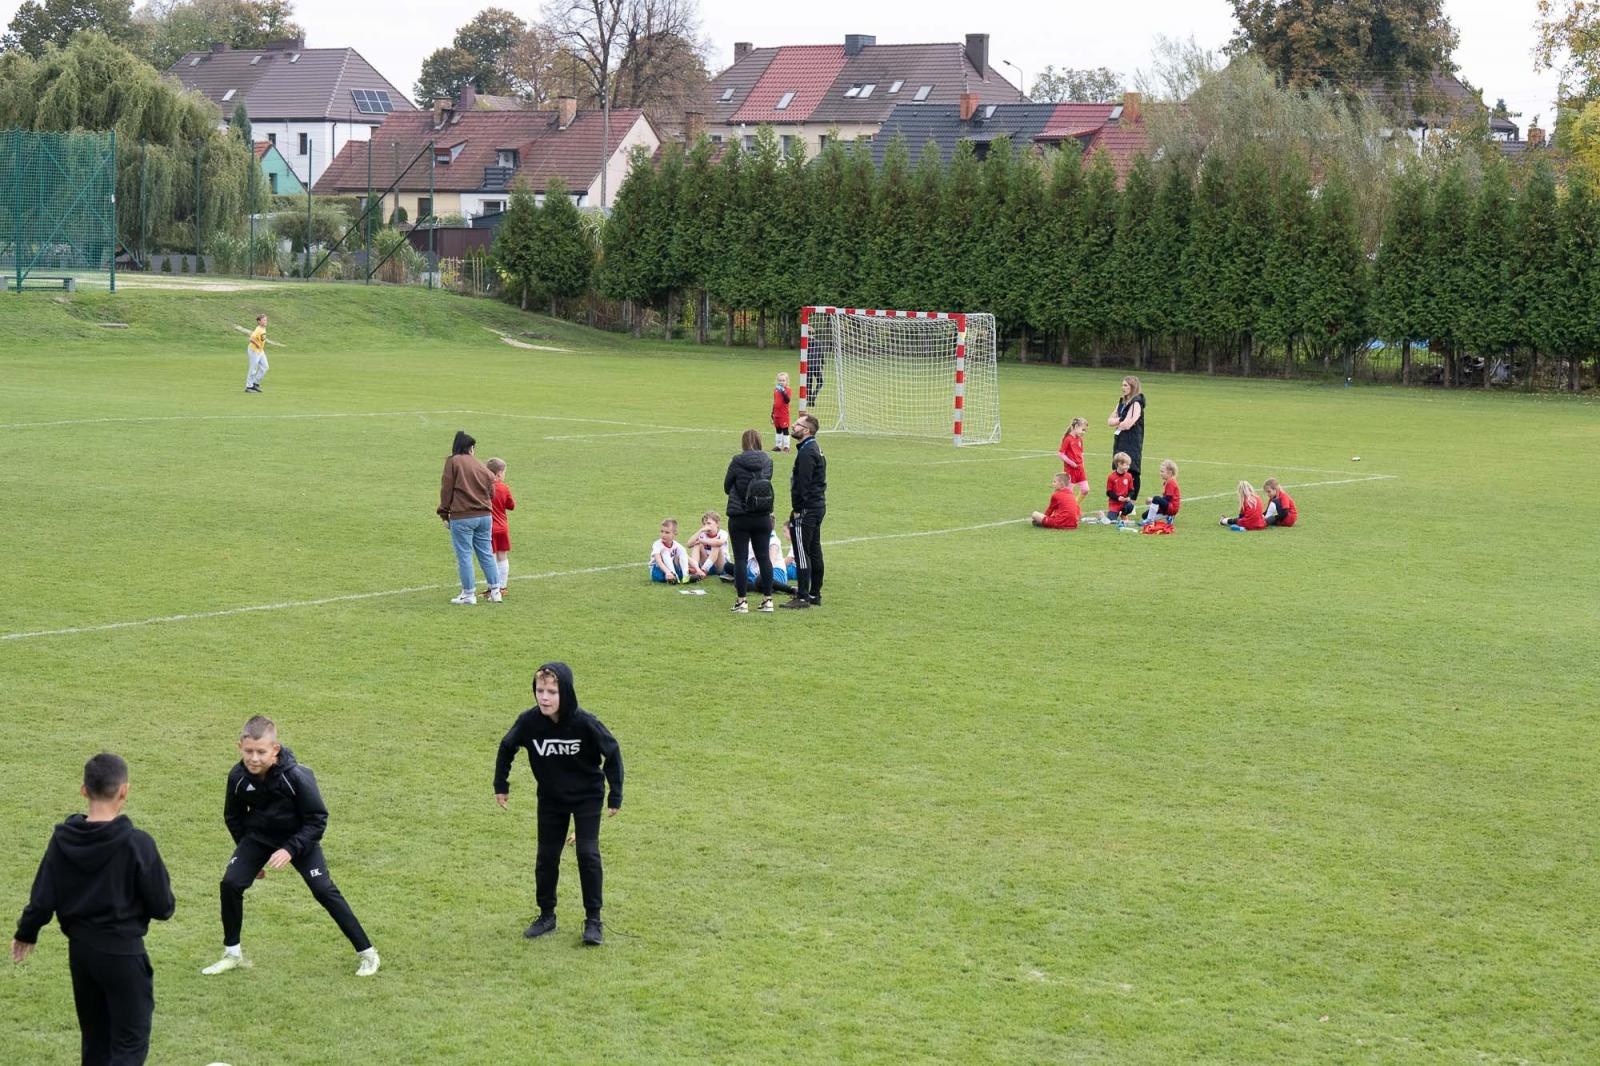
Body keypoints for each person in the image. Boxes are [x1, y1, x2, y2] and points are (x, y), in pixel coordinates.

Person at [12, 754, 174, 1066]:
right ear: (124, 791)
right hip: (123, 955)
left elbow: (42, 898)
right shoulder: (137, 844)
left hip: (82, 954)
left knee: (96, 1044)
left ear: (83, 790)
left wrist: (25, 933)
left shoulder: (62, 840)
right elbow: (163, 907)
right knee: (130, 1045)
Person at [200, 716, 380, 978]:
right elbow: (233, 817)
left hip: (299, 839)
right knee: (230, 884)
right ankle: (232, 954)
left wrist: (290, 849)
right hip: (258, 839)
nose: (254, 758)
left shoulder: (296, 776)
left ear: (275, 750)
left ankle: (368, 953)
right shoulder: (237, 777)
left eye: (261, 752)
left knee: (323, 890)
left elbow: (317, 819)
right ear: (239, 746)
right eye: (248, 751)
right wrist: (248, 855)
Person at [494, 662, 623, 947]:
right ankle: (546, 915)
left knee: (588, 854)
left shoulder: (584, 722)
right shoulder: (529, 722)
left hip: (587, 795)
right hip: (551, 799)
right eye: (540, 690)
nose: (545, 697)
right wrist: (501, 785)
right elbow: (507, 747)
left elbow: (612, 750)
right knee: (547, 857)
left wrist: (616, 794)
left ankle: (593, 921)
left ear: (565, 692)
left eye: (552, 691)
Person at [438, 430, 503, 605]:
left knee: (464, 555)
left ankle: (468, 594)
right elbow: (491, 490)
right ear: (471, 448)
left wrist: (444, 513)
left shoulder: (453, 462)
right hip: (484, 516)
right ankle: (496, 591)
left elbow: (447, 489)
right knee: (486, 553)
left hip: (463, 516)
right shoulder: (482, 466)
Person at [723, 430, 776, 614]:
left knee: (740, 558)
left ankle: (742, 601)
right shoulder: (768, 461)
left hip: (740, 515)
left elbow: (727, 486)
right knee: (764, 558)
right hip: (762, 514)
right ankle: (768, 600)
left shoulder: (737, 461)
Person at [782, 414, 827, 609]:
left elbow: (803, 484)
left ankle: (802, 596)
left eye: (798, 425)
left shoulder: (807, 452)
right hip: (817, 506)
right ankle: (814, 593)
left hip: (807, 510)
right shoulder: (814, 448)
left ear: (806, 430)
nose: (793, 425)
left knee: (802, 552)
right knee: (814, 550)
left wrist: (798, 509)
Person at [1107, 375, 1146, 498]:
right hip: (1120, 440)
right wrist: (1121, 420)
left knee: (1132, 471)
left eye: (1126, 385)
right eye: (1122, 385)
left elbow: (1128, 424)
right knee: (1119, 469)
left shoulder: (1136, 403)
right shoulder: (1122, 402)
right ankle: (1120, 499)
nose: (1123, 388)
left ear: (1133, 387)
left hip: (1132, 441)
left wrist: (1120, 421)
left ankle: (1132, 502)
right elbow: (1109, 421)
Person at [486, 457, 516, 596]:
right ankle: (502, 587)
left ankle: (493, 588)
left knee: (490, 558)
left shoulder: (483, 488)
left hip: (488, 528)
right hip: (502, 528)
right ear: (499, 473)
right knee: (502, 556)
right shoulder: (504, 488)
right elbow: (511, 506)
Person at [1090, 452, 1135, 525]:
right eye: (1126, 465)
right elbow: (1109, 492)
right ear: (1119, 464)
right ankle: (1102, 515)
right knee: (1111, 521)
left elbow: (1132, 490)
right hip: (1114, 504)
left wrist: (1129, 497)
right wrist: (1118, 498)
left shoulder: (1129, 476)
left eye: (1129, 465)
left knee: (1130, 506)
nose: (1128, 467)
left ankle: (1123, 515)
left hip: (1124, 503)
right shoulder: (1111, 477)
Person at [648, 519, 698, 584]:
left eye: (667, 532)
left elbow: (686, 557)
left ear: (675, 534)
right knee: (665, 552)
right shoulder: (657, 544)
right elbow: (659, 561)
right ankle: (674, 576)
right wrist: (668, 572)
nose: (663, 535)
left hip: (670, 568)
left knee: (682, 551)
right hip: (657, 570)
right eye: (662, 531)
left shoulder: (677, 545)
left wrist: (698, 569)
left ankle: (686, 576)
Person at [686, 511, 733, 580]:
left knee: (716, 546)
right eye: (704, 524)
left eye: (709, 523)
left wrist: (702, 541)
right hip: (706, 562)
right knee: (697, 545)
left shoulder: (722, 533)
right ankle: (695, 568)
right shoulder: (703, 534)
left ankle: (704, 570)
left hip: (720, 566)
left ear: (717, 524)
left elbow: (719, 542)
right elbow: (689, 544)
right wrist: (700, 531)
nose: (706, 526)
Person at [1057, 417, 1090, 501]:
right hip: (1070, 470)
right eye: (1083, 430)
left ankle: (1075, 506)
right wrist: (1072, 463)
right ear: (1076, 427)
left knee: (1085, 489)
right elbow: (1061, 454)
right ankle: (1067, 508)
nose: (1084, 432)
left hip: (1080, 469)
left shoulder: (1080, 439)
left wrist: (1082, 465)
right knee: (1068, 492)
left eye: (1085, 430)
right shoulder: (1068, 439)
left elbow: (1081, 453)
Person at [1141, 460, 1182, 526]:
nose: (1160, 473)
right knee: (1144, 515)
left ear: (1170, 472)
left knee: (1156, 498)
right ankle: (1168, 517)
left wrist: (1153, 501)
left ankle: (1149, 521)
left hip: (1172, 508)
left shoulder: (1171, 482)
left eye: (1162, 471)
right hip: (1167, 507)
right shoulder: (1167, 482)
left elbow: (1167, 499)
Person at [244, 314, 268, 393]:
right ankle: (249, 387)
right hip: (254, 351)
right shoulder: (258, 329)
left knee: (265, 367)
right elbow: (251, 338)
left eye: (266, 320)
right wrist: (257, 344)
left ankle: (255, 383)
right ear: (259, 321)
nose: (265, 321)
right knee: (253, 368)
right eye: (264, 320)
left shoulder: (263, 328)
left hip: (260, 351)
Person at [772, 372, 792, 452]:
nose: (781, 382)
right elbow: (775, 402)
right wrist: (772, 413)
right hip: (776, 414)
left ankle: (786, 446)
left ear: (786, 381)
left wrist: (783, 392)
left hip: (784, 414)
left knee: (785, 430)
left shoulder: (788, 390)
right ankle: (778, 446)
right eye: (780, 380)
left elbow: (787, 400)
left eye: (783, 380)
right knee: (778, 429)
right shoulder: (776, 390)